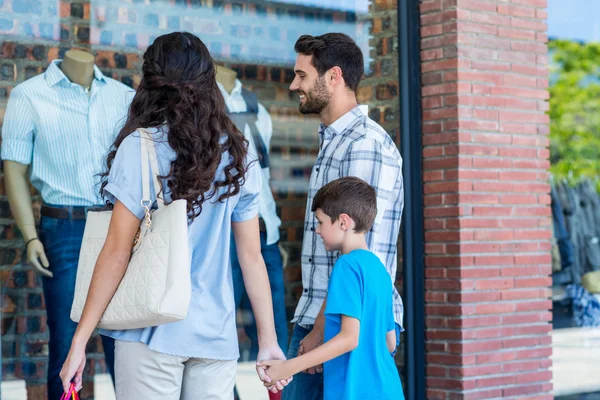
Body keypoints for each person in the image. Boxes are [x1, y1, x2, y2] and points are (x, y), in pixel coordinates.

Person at [59, 32, 288, 399]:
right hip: (216, 336)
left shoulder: (141, 147)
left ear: (150, 82)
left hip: (151, 330)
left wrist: (79, 343)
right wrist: (268, 341)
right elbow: (250, 255)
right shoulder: (239, 155)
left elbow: (117, 251)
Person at [1, 48, 133, 399]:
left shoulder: (123, 97)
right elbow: (14, 167)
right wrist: (30, 237)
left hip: (116, 225)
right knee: (65, 337)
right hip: (64, 229)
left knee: (123, 341)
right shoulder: (30, 95)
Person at [281, 33, 405, 400]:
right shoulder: (334, 141)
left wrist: (319, 331)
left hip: (341, 326)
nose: (293, 85)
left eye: (302, 75)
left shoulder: (363, 145)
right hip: (325, 318)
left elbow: (362, 252)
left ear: (333, 77)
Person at [259, 177, 404, 400]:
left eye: (320, 222)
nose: (317, 230)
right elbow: (390, 341)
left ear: (344, 222)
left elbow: (349, 338)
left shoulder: (346, 266)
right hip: (388, 390)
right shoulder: (378, 269)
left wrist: (289, 367)